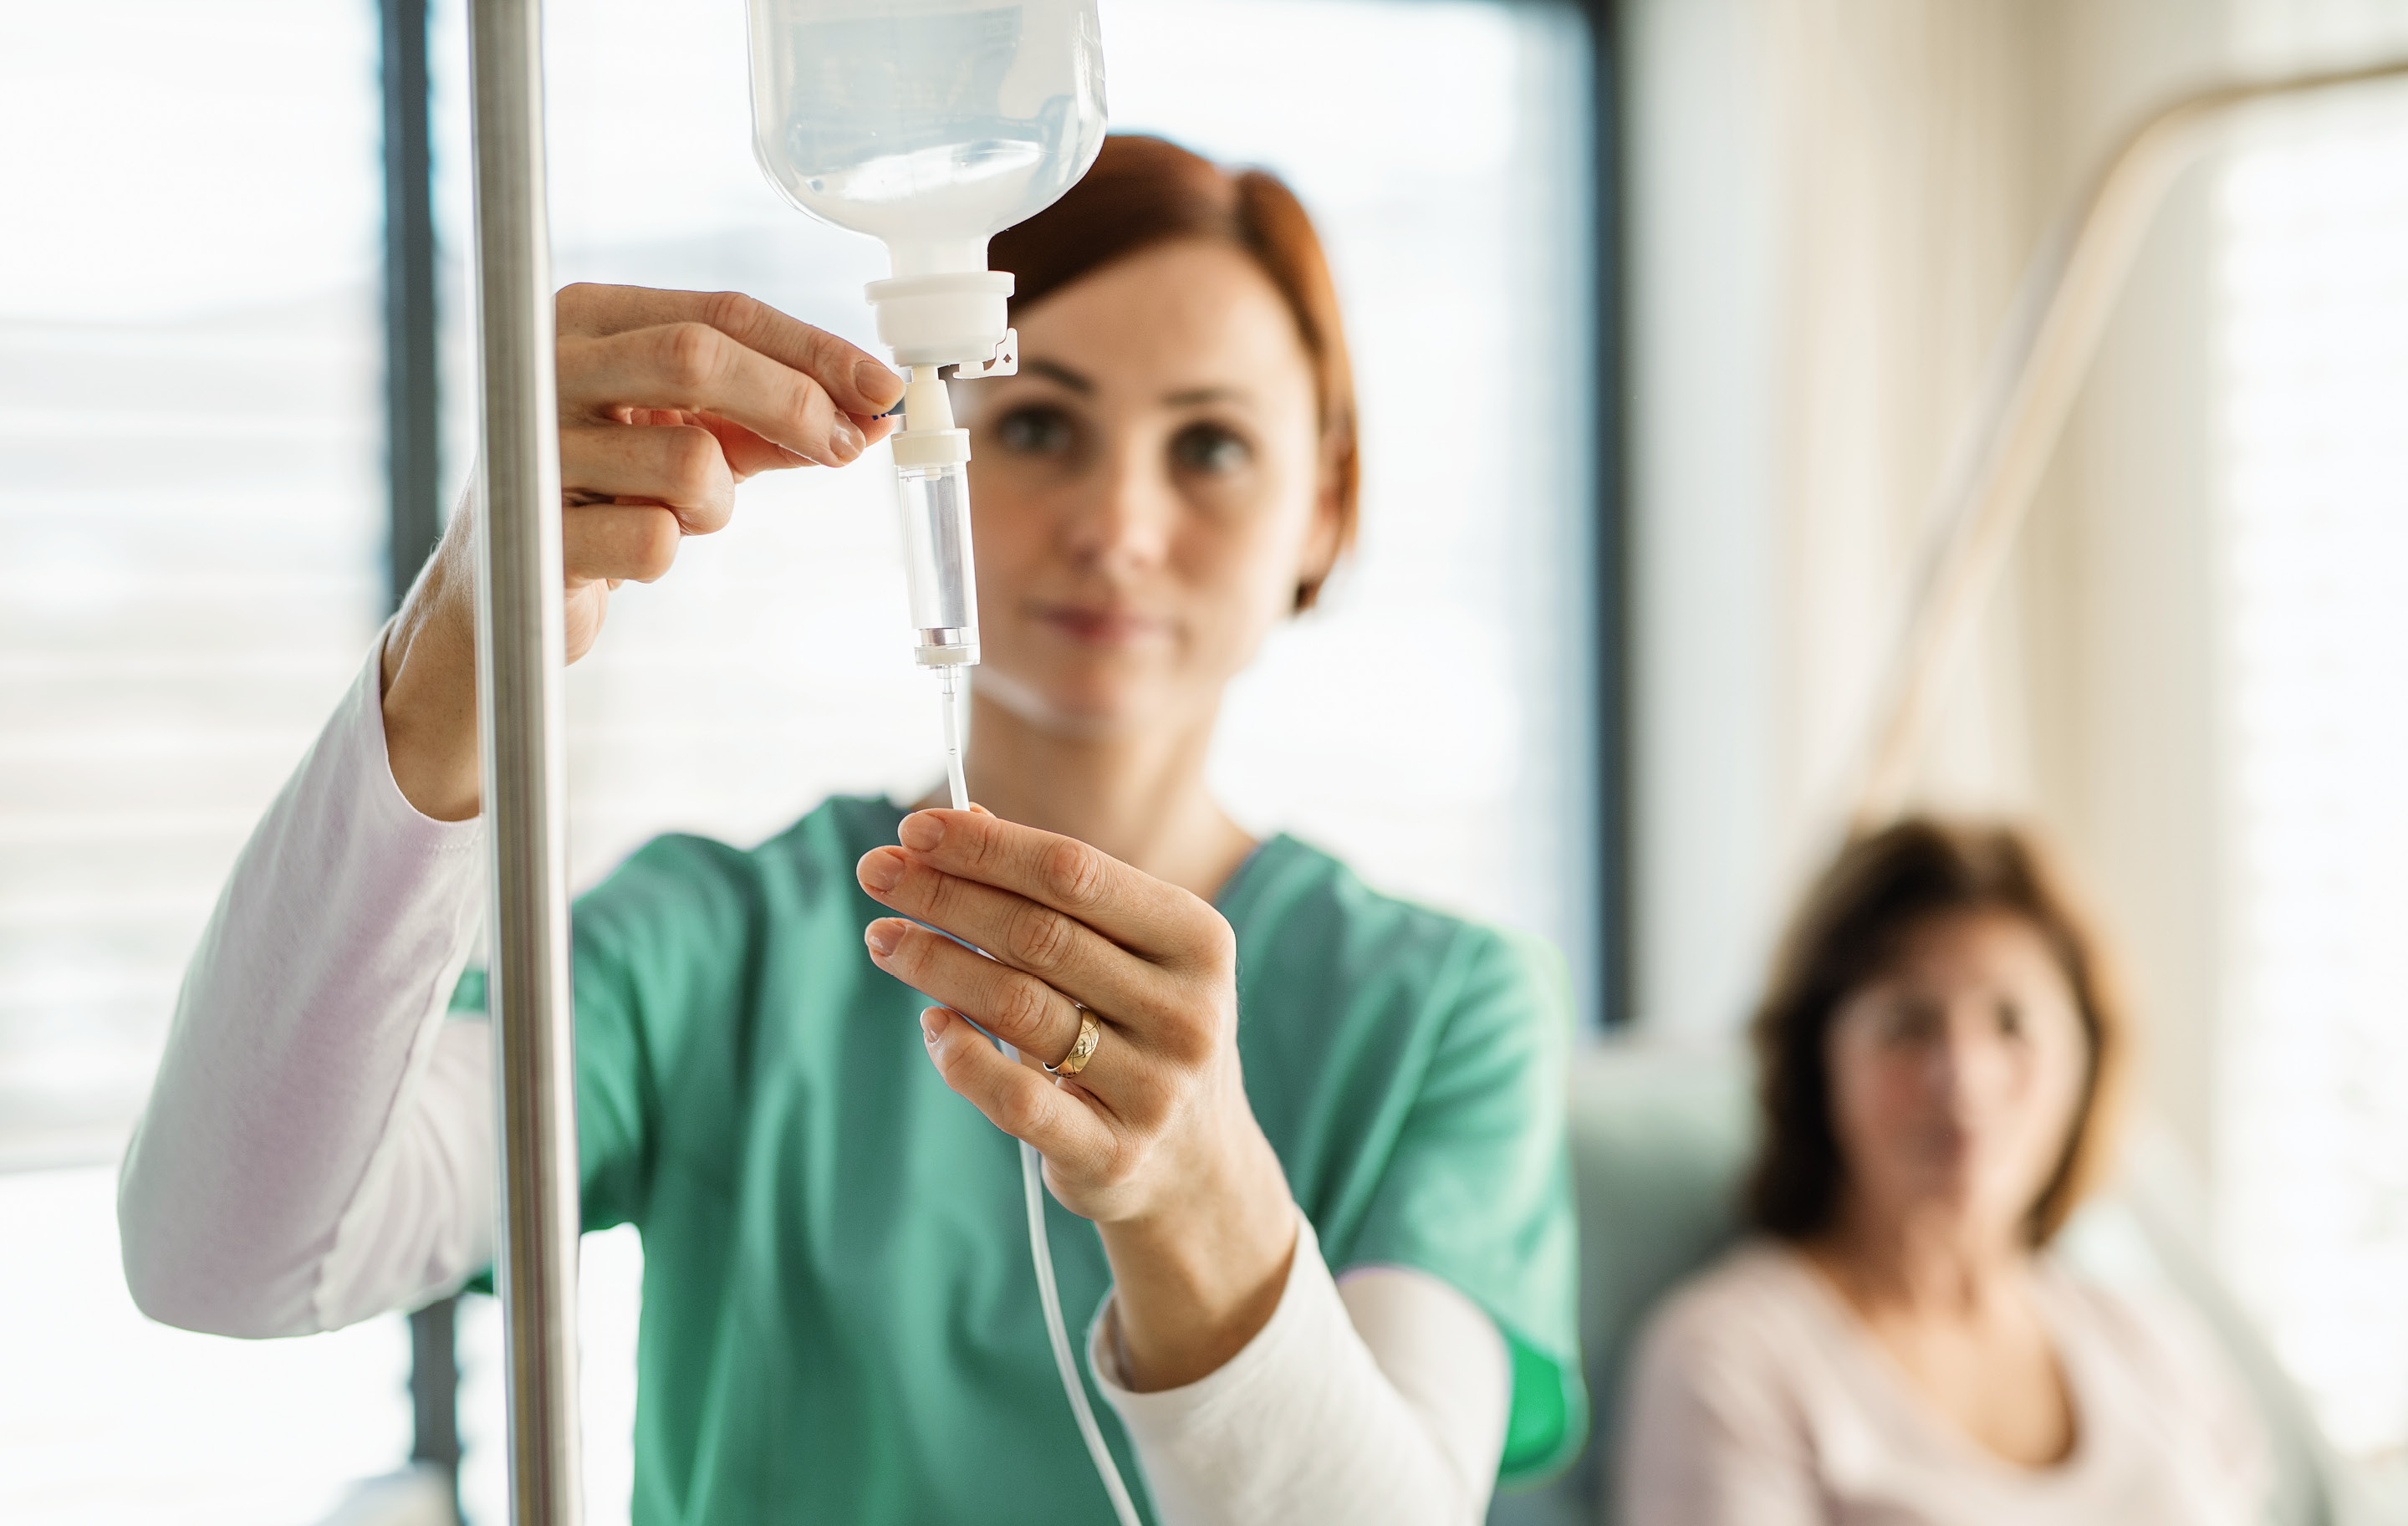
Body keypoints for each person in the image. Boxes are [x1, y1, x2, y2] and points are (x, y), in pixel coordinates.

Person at [116, 135, 1583, 1525]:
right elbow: (229, 1254)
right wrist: (450, 659)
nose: (1118, 525)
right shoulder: (720, 948)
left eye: (1208, 450)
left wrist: (1196, 1196)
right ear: (934, 446)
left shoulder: (1443, 1014)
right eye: (1042, 425)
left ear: (1324, 509)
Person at [1615, 819, 2268, 1525]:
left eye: (2012, 1021)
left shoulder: (2158, 1347)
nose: (1962, 1079)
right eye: (1907, 1024)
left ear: (2084, 1059)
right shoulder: (1733, 1360)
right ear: (1816, 1062)